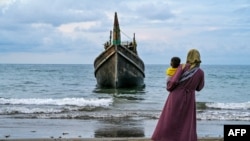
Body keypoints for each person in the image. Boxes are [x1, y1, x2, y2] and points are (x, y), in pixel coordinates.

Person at [151, 49, 205, 141]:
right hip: (190, 98)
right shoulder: (200, 72)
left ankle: (165, 138)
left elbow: (172, 83)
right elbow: (199, 88)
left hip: (176, 96)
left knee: (170, 118)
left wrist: (170, 85)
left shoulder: (182, 67)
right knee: (186, 121)